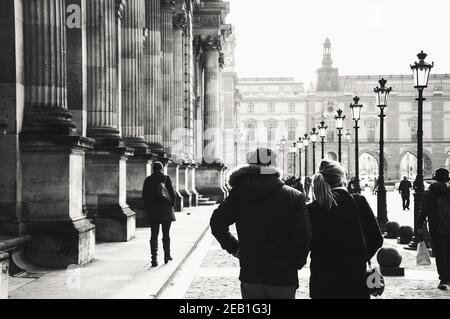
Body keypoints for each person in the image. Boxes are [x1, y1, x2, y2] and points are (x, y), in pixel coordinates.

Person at [210, 148, 311, 299]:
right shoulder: (294, 196)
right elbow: (304, 236)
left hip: (252, 274)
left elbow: (217, 224)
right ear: (274, 166)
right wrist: (296, 262)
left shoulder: (239, 194)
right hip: (283, 275)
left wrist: (235, 248)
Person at [307, 160, 383, 299]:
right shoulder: (358, 202)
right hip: (355, 278)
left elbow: (305, 243)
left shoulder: (313, 209)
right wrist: (360, 257)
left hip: (322, 279)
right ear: (342, 179)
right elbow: (377, 239)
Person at [418, 168, 450, 291]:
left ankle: (443, 278)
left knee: (440, 252)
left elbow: (423, 211)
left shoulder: (430, 192)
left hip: (436, 226)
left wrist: (420, 226)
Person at [142, 162, 176, 267]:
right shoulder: (166, 178)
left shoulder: (148, 180)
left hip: (153, 212)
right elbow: (172, 194)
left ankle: (154, 259)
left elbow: (144, 197)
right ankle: (167, 255)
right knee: (166, 235)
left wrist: (149, 207)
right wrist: (171, 204)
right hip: (166, 211)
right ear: (161, 169)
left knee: (154, 235)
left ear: (153, 169)